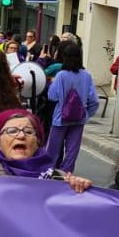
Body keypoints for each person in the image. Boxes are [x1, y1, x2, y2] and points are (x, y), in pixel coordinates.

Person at [0, 109, 92, 193]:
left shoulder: (59, 179)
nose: (21, 136)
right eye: (12, 131)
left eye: (28, 131)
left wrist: (79, 189)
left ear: (38, 142)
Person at [44, 41, 100, 174]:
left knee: (53, 149)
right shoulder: (87, 75)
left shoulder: (61, 75)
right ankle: (66, 173)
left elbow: (52, 96)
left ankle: (49, 172)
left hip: (60, 118)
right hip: (79, 119)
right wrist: (86, 113)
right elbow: (94, 100)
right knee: (72, 151)